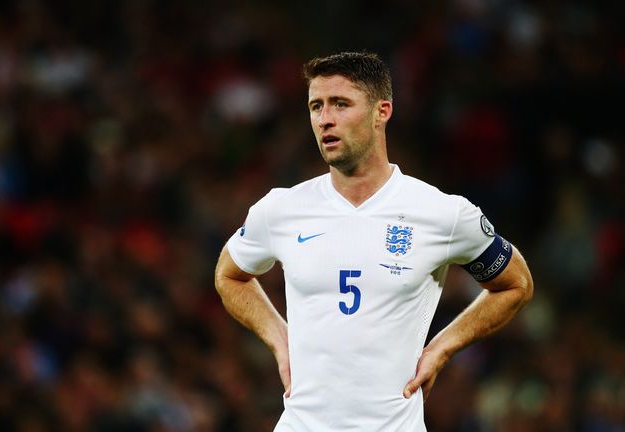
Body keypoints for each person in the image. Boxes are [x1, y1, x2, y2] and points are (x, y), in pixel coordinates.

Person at [214, 51, 533, 431]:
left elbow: (516, 283)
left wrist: (442, 348)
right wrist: (278, 337)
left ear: (382, 112)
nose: (325, 119)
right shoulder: (281, 208)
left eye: (340, 104)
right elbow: (228, 274)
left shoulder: (442, 213)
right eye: (316, 106)